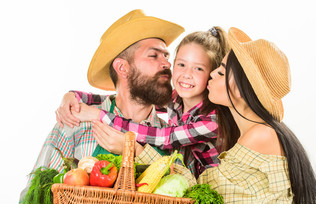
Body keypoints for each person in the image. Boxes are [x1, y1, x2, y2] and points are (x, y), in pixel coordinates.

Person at [18, 9, 195, 204]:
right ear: (123, 68)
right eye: (154, 56)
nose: (167, 64)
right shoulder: (75, 124)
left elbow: (193, 201)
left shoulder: (176, 133)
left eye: (166, 56)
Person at [56, 26, 229, 179]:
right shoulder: (177, 100)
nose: (167, 64)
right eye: (181, 64)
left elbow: (164, 137)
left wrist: (99, 116)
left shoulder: (211, 121)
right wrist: (74, 96)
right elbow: (125, 97)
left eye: (198, 68)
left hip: (208, 192)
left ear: (212, 74)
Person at [198, 27, 316, 204]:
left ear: (238, 86)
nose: (211, 73)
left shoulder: (260, 136)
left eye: (220, 71)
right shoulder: (261, 132)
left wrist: (140, 151)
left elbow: (207, 193)